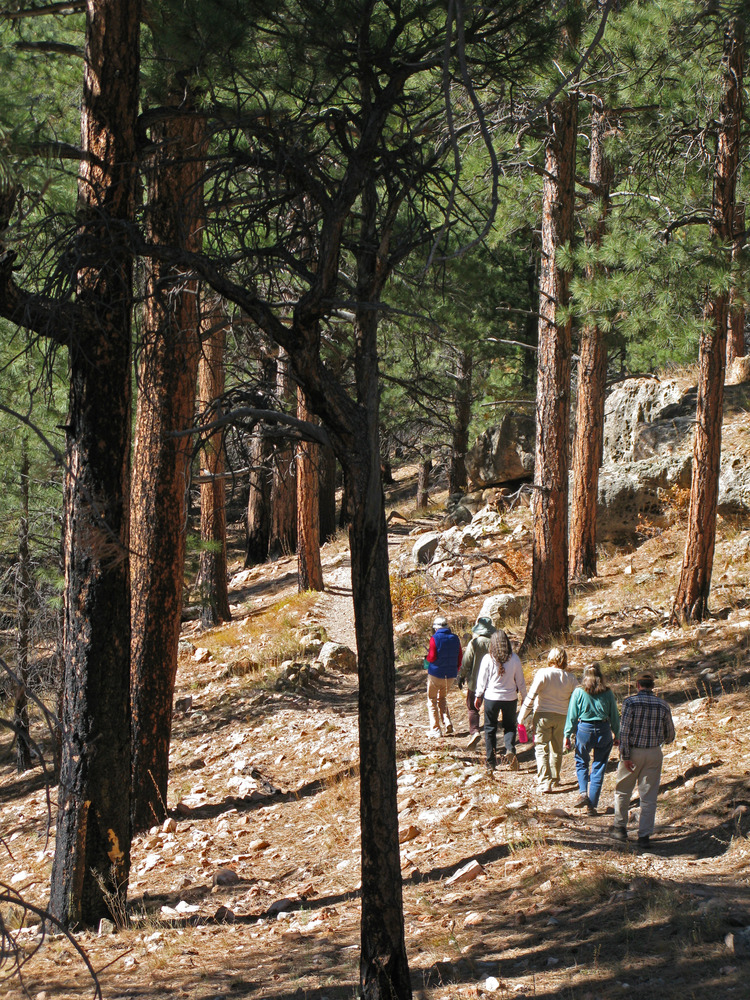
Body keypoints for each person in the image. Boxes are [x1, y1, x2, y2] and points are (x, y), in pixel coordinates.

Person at [613, 672, 675, 848]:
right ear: (652, 686)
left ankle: (620, 827)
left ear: (638, 685)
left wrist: (625, 755)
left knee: (623, 790)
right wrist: (660, 739)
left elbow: (624, 731)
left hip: (633, 752)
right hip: (654, 752)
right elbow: (670, 734)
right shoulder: (663, 705)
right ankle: (644, 836)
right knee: (649, 797)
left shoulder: (630, 702)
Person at [518, 646, 577, 793]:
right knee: (557, 748)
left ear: (550, 658)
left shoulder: (543, 674)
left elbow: (531, 696)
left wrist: (521, 716)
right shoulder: (571, 678)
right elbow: (577, 699)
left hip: (543, 715)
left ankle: (544, 781)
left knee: (541, 748)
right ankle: (555, 779)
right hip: (562, 716)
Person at [564, 663, 620, 815]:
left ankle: (583, 793)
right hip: (604, 730)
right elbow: (614, 715)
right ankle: (592, 805)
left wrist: (567, 735)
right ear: (600, 675)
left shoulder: (579, 692)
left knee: (582, 761)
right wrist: (617, 734)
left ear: (584, 676)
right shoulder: (607, 693)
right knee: (599, 766)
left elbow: (572, 715)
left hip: (584, 731)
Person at [474, 629, 526, 773]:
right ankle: (510, 749)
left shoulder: (488, 659)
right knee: (509, 726)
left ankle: (491, 762)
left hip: (492, 698)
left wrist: (478, 696)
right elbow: (520, 681)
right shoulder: (514, 659)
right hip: (510, 698)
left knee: (490, 729)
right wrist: (525, 697)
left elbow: (481, 680)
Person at [457, 615, 495, 749]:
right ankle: (491, 736)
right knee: (490, 710)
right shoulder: (495, 642)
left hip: (475, 681)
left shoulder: (474, 643)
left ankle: (474, 731)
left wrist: (461, 675)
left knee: (472, 708)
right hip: (492, 682)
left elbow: (467, 662)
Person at [424, 615, 462, 738]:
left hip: (435, 674)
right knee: (443, 698)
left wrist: (426, 659)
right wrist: (455, 670)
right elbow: (460, 657)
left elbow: (432, 656)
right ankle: (447, 722)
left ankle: (435, 729)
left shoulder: (434, 638)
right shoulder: (455, 638)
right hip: (451, 675)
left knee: (432, 701)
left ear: (436, 628)